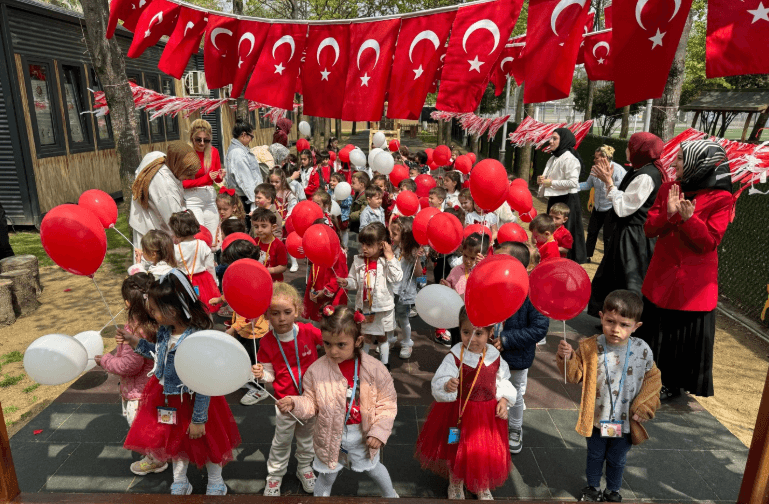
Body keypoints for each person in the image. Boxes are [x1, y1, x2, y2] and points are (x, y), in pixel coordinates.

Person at [122, 270, 241, 496]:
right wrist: (134, 342)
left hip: (196, 401)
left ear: (172, 311)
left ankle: (216, 479)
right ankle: (180, 479)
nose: (152, 313)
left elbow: (203, 381)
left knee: (208, 441)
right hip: (168, 398)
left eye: (155, 310)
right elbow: (159, 355)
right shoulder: (165, 331)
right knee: (175, 441)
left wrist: (199, 418)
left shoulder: (196, 338)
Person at [638, 140, 734, 399]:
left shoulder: (722, 199)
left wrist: (689, 220)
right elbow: (649, 229)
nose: (674, 163)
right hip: (662, 276)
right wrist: (670, 215)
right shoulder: (669, 188)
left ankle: (672, 383)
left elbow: (709, 242)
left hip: (692, 285)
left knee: (680, 337)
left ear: (698, 164)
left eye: (680, 158)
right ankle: (645, 376)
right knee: (655, 330)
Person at [276, 305, 398, 498]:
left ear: (358, 341)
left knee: (374, 469)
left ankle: (391, 495)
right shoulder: (316, 370)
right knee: (326, 477)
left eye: (341, 344)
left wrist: (379, 431)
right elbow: (311, 402)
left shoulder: (375, 369)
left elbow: (387, 403)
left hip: (364, 435)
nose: (333, 351)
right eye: (327, 344)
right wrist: (295, 404)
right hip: (329, 435)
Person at [556, 290, 661, 503]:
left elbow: (653, 380)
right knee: (594, 456)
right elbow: (575, 375)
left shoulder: (642, 350)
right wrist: (566, 358)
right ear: (601, 316)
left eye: (624, 325)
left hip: (625, 421)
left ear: (636, 326)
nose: (616, 329)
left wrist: (645, 407)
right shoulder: (590, 346)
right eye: (610, 321)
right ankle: (592, 488)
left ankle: (613, 490)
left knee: (617, 458)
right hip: (596, 417)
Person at [416, 306, 516, 500]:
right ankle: (456, 481)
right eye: (466, 332)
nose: (472, 338)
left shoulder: (495, 357)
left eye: (479, 333)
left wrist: (504, 399)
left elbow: (503, 380)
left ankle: (481, 483)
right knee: (457, 446)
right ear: (459, 331)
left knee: (483, 450)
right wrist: (447, 385)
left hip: (487, 415)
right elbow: (439, 380)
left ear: (490, 332)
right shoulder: (455, 356)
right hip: (459, 412)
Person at [252, 283, 322, 496]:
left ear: (298, 311)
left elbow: (331, 345)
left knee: (307, 438)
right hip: (285, 403)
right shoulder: (266, 342)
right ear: (267, 315)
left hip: (311, 400)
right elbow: (270, 376)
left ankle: (304, 468)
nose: (282, 318)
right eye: (275, 313)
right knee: (281, 441)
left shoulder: (309, 331)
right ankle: (275, 475)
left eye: (287, 312)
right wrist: (261, 374)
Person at [587, 132, 664, 318]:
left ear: (641, 150)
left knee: (629, 280)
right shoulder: (638, 169)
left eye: (630, 146)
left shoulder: (647, 175)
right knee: (613, 276)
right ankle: (612, 319)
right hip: (624, 232)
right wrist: (609, 184)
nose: (627, 150)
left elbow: (623, 208)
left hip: (634, 237)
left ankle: (628, 323)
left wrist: (609, 182)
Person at [95, 273, 162, 475]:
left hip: (140, 391)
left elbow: (129, 366)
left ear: (127, 302)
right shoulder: (156, 321)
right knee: (156, 423)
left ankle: (156, 459)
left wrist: (105, 360)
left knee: (143, 426)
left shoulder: (138, 330)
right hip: (154, 386)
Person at [491, 242, 549, 454]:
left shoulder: (532, 294)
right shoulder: (493, 285)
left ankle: (514, 429)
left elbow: (539, 328)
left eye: (501, 261)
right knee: (490, 390)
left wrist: (506, 340)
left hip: (516, 356)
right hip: (489, 353)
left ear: (520, 266)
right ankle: (489, 427)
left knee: (514, 395)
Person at [338, 222, 403, 369]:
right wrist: (346, 282)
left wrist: (390, 256)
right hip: (365, 307)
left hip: (383, 307)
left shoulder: (386, 261)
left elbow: (397, 278)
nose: (364, 248)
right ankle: (364, 364)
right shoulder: (358, 260)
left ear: (381, 245)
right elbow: (354, 281)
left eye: (368, 245)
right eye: (362, 244)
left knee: (382, 336)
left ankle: (385, 363)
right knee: (365, 336)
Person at [129, 143, 200, 250]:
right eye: (188, 173)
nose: (192, 177)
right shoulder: (166, 189)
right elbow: (176, 224)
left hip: (151, 222)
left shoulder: (159, 157)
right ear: (178, 166)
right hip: (153, 233)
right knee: (155, 263)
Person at [536, 128, 587, 264]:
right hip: (555, 197)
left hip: (567, 199)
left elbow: (572, 182)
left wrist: (551, 182)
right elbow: (550, 178)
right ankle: (550, 253)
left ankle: (566, 260)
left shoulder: (571, 159)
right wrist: (542, 180)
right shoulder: (554, 157)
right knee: (551, 228)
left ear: (564, 141)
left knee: (566, 231)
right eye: (551, 138)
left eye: (554, 138)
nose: (551, 141)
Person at [579, 146, 627, 262]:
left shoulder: (619, 170)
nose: (594, 160)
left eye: (597, 158)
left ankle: (607, 260)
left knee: (608, 236)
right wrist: (571, 186)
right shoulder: (594, 169)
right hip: (597, 207)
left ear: (605, 157)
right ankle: (587, 256)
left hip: (610, 208)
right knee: (592, 231)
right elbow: (588, 184)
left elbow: (623, 189)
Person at [441, 233, 489, 347]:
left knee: (473, 345)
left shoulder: (483, 270)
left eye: (472, 258)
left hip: (475, 318)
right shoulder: (456, 270)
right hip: (457, 316)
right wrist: (445, 286)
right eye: (465, 255)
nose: (467, 260)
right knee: (457, 344)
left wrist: (482, 267)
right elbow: (450, 284)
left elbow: (488, 287)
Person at [169, 211, 221, 314]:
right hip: (203, 280)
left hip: (182, 280)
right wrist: (215, 281)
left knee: (186, 308)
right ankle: (207, 327)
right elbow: (210, 266)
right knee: (205, 308)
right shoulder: (202, 244)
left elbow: (172, 266)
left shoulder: (175, 248)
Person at [390, 217, 423, 359]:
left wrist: (417, 260)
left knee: (403, 317)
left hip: (403, 292)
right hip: (392, 290)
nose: (391, 236)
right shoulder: (395, 249)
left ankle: (407, 342)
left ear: (405, 237)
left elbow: (419, 274)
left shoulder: (412, 253)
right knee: (389, 316)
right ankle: (389, 339)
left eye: (395, 234)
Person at [304, 218, 349, 322]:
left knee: (331, 322)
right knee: (318, 321)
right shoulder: (317, 249)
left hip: (330, 294)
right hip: (317, 289)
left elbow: (338, 276)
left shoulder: (338, 253)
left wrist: (325, 292)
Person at [185, 119, 223, 240]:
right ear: (192, 137)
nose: (202, 143)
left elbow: (216, 179)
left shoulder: (213, 152)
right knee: (198, 235)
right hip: (192, 198)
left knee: (214, 237)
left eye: (206, 140)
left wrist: (220, 176)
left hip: (210, 197)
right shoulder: (187, 153)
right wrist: (206, 178)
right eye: (198, 139)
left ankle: (213, 258)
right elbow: (183, 183)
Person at [226, 120, 262, 215]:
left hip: (246, 196)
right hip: (244, 198)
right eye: (251, 137)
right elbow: (245, 179)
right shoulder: (238, 152)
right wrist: (256, 200)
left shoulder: (240, 149)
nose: (251, 140)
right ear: (243, 135)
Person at [250, 208, 288, 282]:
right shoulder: (254, 242)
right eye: (256, 227)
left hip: (273, 282)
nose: (259, 230)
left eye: (263, 226)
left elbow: (283, 266)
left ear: (273, 227)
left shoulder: (279, 245)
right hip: (257, 280)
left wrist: (269, 270)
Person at [329, 172, 352, 249]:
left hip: (343, 217)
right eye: (331, 180)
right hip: (333, 217)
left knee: (343, 232)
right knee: (334, 232)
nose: (331, 182)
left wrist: (341, 202)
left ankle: (344, 247)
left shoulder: (345, 192)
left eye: (334, 181)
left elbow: (349, 202)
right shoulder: (329, 192)